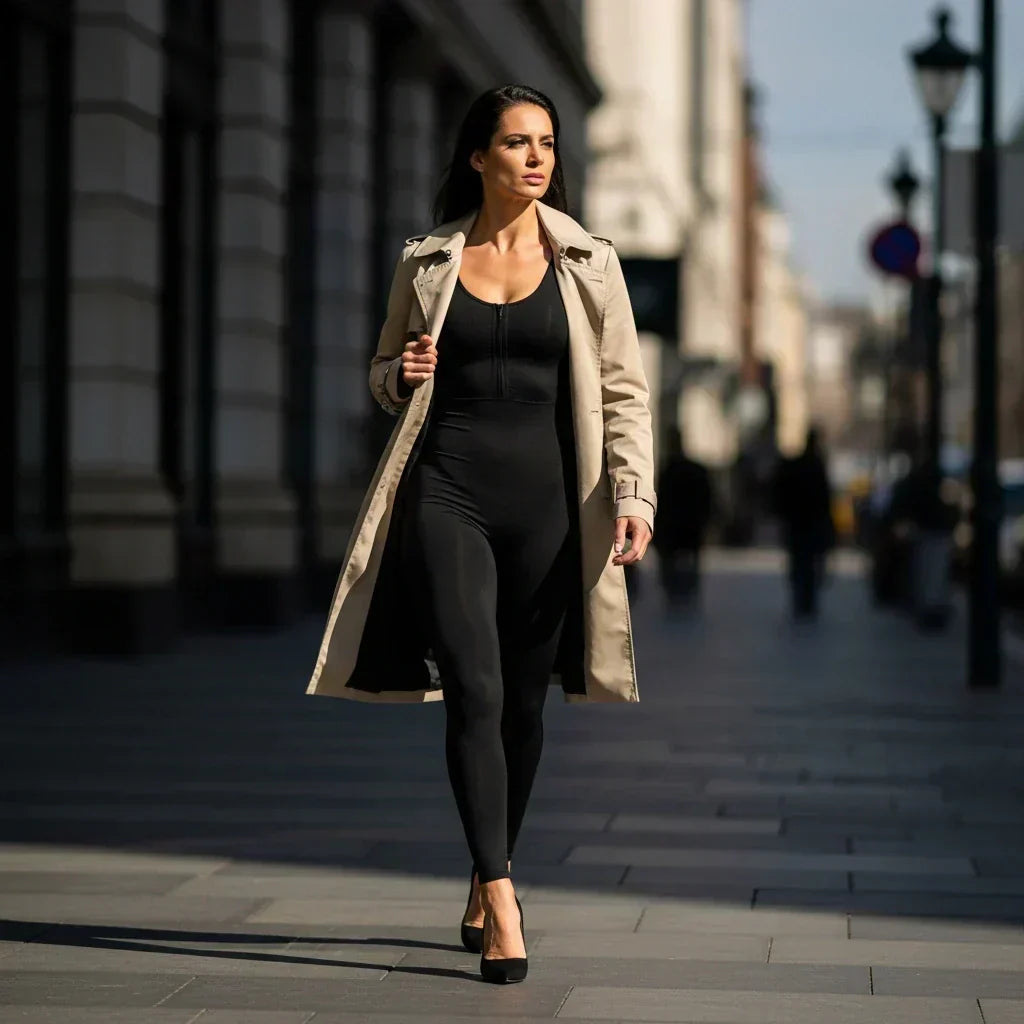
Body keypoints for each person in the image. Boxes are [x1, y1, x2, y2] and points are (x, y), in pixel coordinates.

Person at [305, 85, 656, 984]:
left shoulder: (590, 260)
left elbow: (624, 390)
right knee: (475, 689)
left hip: (551, 506)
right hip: (446, 494)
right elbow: (383, 372)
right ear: (478, 158)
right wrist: (402, 369)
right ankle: (502, 894)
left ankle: (480, 861)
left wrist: (634, 496)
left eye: (546, 143)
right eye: (516, 143)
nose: (536, 158)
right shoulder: (426, 260)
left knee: (526, 707)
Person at [773, 428, 835, 619]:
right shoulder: (815, 466)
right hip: (809, 521)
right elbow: (825, 497)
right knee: (809, 563)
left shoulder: (797, 465)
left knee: (800, 561)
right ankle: (807, 601)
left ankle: (801, 600)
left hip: (798, 522)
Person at [652, 429, 714, 607]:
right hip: (690, 524)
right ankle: (688, 589)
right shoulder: (694, 469)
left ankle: (676, 591)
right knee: (690, 559)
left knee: (672, 561)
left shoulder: (668, 471)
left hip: (675, 525)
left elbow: (662, 499)